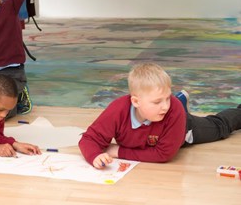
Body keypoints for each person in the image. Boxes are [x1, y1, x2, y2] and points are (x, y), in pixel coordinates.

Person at [79, 62, 241, 169]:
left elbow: (164, 154)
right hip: (169, 120)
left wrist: (119, 151)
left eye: (167, 98)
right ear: (136, 101)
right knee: (174, 106)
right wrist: (95, 156)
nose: (164, 106)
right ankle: (180, 100)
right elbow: (89, 139)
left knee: (220, 127)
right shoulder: (118, 110)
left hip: (183, 128)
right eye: (157, 102)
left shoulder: (172, 110)